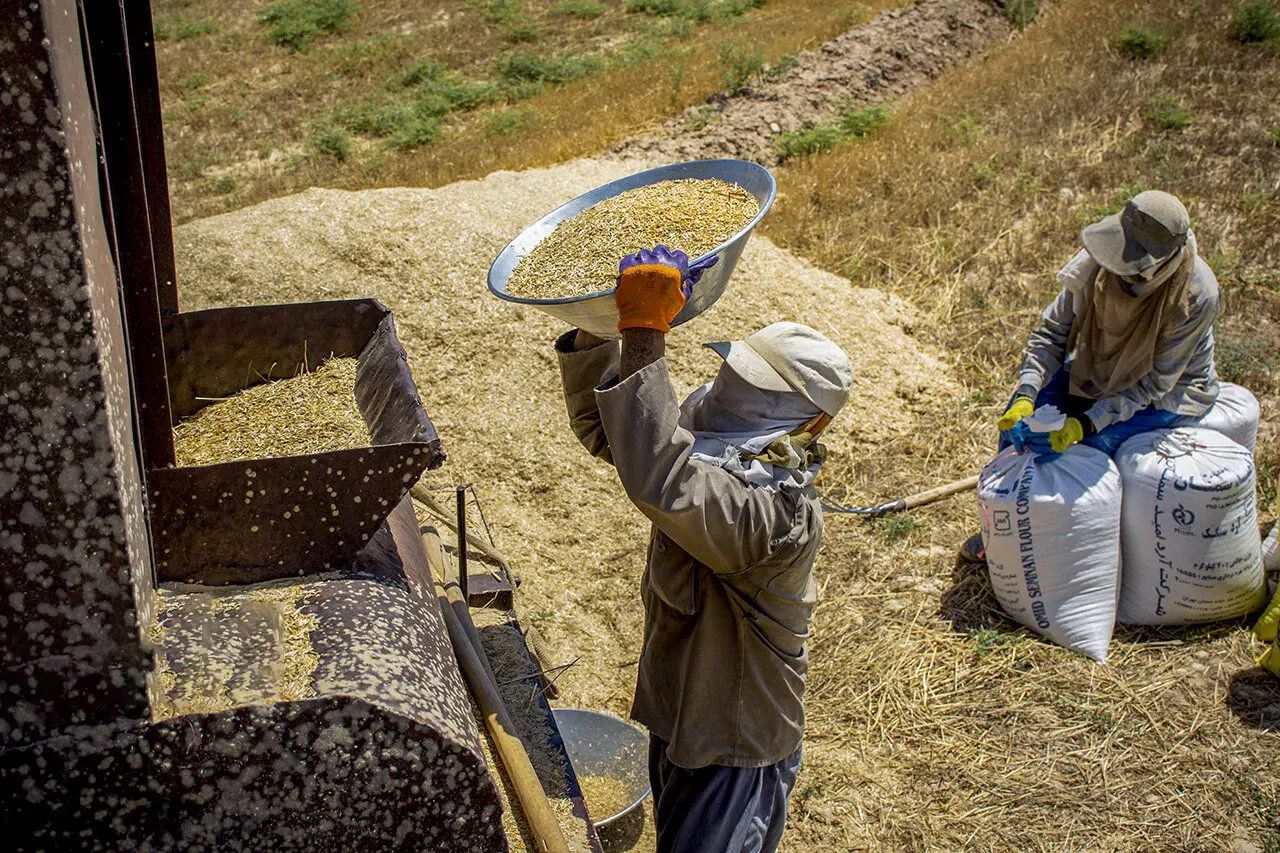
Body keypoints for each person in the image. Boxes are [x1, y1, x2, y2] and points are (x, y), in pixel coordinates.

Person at [555, 245, 852, 853]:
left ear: (811, 425)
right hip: (682, 711)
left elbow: (660, 475)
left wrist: (643, 330)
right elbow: (615, 432)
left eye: (750, 384)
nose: (726, 391)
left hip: (735, 742)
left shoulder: (774, 512)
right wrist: (600, 322)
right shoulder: (709, 437)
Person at [960, 189, 1221, 562]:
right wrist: (1025, 394)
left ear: (1152, 267)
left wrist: (1083, 427)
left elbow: (1155, 383)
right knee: (1016, 432)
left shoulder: (1195, 294)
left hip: (1169, 393)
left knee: (1087, 454)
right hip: (1099, 370)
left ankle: (1058, 552)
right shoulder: (1099, 255)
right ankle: (1002, 534)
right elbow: (1052, 334)